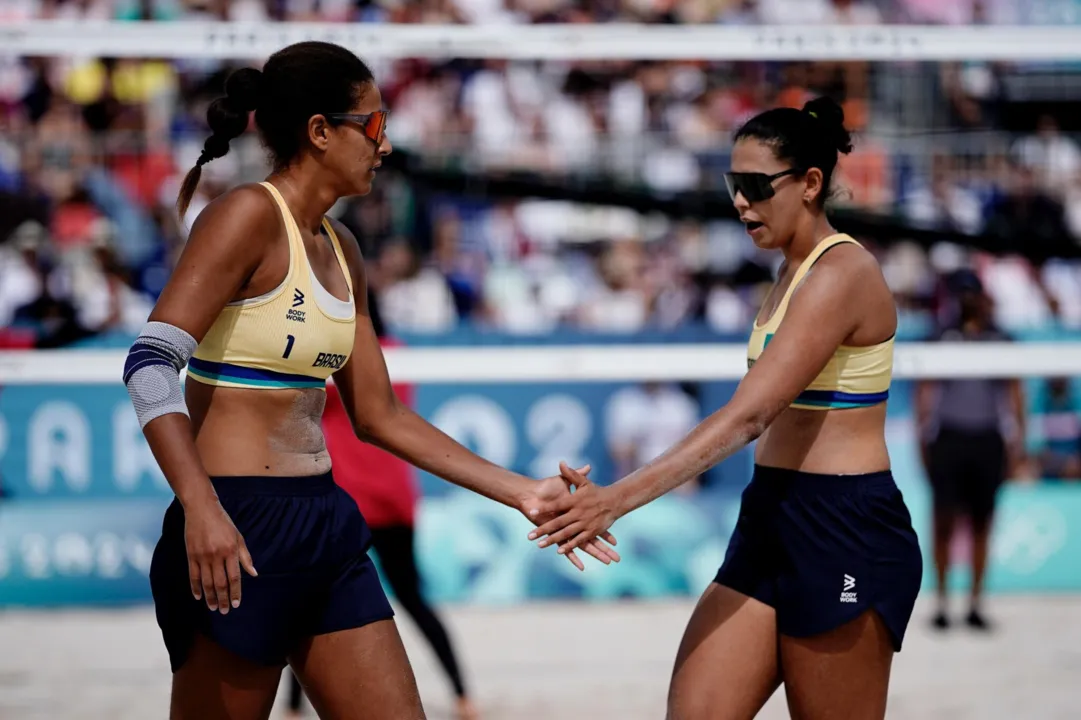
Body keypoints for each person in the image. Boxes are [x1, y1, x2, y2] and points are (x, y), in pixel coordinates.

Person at [121, 41, 617, 720]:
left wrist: (523, 492)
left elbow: (378, 416)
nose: (386, 147)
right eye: (375, 126)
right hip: (236, 523)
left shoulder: (342, 247)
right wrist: (200, 508)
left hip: (325, 519)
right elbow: (148, 366)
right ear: (320, 131)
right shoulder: (244, 216)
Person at [526, 97, 923, 720]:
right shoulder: (788, 273)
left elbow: (748, 416)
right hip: (770, 515)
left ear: (811, 184)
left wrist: (615, 500)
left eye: (756, 186)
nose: (740, 201)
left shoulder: (843, 271)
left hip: (845, 526)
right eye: (733, 185)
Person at [285, 288, 479, 720]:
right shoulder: (400, 355)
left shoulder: (332, 358)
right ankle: (464, 694)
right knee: (413, 599)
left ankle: (295, 707)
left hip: (349, 499)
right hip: (395, 496)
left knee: (306, 601)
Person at [915, 269, 1026, 632]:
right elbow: (925, 390)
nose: (965, 300)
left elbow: (1014, 391)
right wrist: (922, 439)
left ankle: (975, 603)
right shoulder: (941, 336)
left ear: (981, 296)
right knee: (943, 523)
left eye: (970, 293)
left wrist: (1018, 441)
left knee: (982, 523)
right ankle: (944, 603)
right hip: (949, 437)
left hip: (987, 438)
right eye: (959, 294)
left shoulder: (1000, 337)